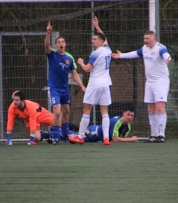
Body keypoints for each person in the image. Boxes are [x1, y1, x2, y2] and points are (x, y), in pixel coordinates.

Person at [111, 31, 171, 143]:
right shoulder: (144, 48)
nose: (145, 40)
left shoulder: (160, 48)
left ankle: (161, 136)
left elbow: (166, 55)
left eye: (147, 38)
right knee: (151, 108)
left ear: (153, 39)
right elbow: (136, 53)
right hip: (149, 82)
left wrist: (168, 58)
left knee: (160, 107)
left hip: (161, 82)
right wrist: (121, 56)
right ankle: (154, 135)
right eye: (144, 38)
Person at [69, 16, 113, 146]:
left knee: (86, 108)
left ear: (100, 42)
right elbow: (105, 39)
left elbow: (87, 69)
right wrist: (97, 27)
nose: (92, 41)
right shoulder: (107, 50)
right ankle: (106, 138)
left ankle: (81, 137)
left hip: (95, 84)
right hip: (106, 84)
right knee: (104, 110)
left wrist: (81, 63)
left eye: (94, 39)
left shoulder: (95, 53)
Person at [45, 20, 86, 145]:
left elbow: (74, 74)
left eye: (62, 42)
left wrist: (82, 86)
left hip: (64, 89)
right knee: (57, 111)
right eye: (58, 42)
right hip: (54, 88)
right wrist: (48, 33)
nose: (61, 44)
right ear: (56, 45)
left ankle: (64, 134)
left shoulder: (69, 58)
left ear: (65, 44)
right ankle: (56, 137)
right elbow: (46, 46)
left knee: (66, 111)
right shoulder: (52, 54)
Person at [49, 107, 138, 143]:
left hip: (98, 136)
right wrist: (131, 139)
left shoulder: (128, 126)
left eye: (132, 115)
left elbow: (122, 139)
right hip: (94, 133)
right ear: (123, 114)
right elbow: (115, 139)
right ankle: (51, 132)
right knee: (73, 139)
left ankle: (56, 130)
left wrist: (128, 139)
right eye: (128, 114)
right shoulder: (117, 122)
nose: (130, 117)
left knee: (74, 136)